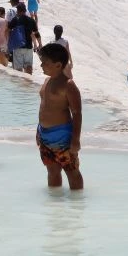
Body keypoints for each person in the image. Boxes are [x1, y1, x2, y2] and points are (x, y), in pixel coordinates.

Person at [37, 44, 83, 190]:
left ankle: (77, 201)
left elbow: (77, 113)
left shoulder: (68, 85)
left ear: (58, 65)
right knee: (52, 170)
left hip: (63, 136)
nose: (41, 65)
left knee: (71, 171)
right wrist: (38, 131)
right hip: (45, 135)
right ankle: (54, 201)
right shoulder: (47, 81)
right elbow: (44, 107)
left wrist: (75, 139)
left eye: (45, 62)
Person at [7, 3, 41, 74]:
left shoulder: (15, 20)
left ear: (18, 11)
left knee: (18, 68)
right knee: (28, 66)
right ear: (25, 10)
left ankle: (21, 81)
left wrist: (9, 42)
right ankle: (29, 79)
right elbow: (36, 33)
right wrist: (40, 44)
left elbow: (8, 30)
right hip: (28, 46)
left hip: (18, 46)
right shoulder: (31, 20)